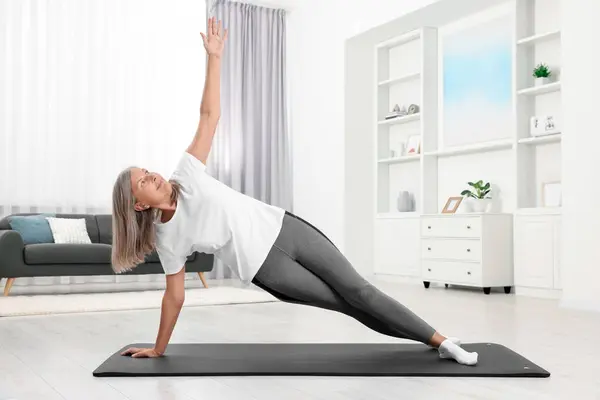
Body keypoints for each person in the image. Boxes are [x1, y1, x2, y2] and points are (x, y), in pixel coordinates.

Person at [110, 17, 478, 366]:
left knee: (360, 292)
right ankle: (436, 342)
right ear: (139, 205)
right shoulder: (166, 237)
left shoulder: (186, 173)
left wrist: (215, 57)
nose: (152, 176)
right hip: (266, 267)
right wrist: (158, 349)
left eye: (147, 171)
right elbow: (175, 296)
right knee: (348, 304)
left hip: (286, 228)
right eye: (142, 182)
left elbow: (209, 115)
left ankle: (442, 341)